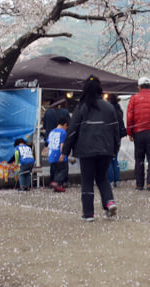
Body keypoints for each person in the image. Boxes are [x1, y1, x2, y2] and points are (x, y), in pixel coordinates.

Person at [63, 76, 120, 221]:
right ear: (99, 89)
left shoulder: (82, 107)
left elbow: (73, 130)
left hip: (86, 149)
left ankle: (88, 214)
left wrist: (65, 151)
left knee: (87, 180)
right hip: (106, 149)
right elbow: (115, 130)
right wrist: (115, 148)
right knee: (102, 178)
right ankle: (109, 202)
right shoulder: (109, 107)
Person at [126, 76, 150, 191]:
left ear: (139, 86)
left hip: (138, 132)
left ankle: (139, 183)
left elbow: (129, 117)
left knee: (139, 158)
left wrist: (130, 132)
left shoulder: (134, 99)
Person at [107, 93, 127, 187]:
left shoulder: (108, 109)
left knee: (109, 159)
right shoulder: (119, 110)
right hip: (118, 136)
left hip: (109, 136)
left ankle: (111, 180)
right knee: (115, 158)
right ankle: (117, 180)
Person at [47, 115, 70, 192]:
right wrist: (62, 154)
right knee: (63, 170)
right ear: (65, 124)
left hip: (52, 154)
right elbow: (62, 144)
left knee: (56, 170)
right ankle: (56, 182)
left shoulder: (51, 132)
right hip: (59, 154)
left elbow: (48, 143)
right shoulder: (63, 132)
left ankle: (57, 187)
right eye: (67, 127)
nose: (66, 128)